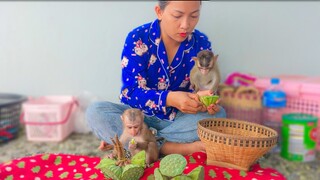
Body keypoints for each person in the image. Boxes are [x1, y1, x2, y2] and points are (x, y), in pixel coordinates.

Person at [86, 0, 226, 156]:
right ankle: (167, 147)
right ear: (159, 12)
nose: (186, 25)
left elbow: (203, 87)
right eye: (177, 15)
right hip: (138, 118)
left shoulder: (201, 43)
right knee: (95, 112)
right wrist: (170, 98)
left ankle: (135, 144)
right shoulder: (137, 38)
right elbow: (131, 92)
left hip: (177, 120)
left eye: (194, 16)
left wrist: (204, 101)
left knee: (220, 115)